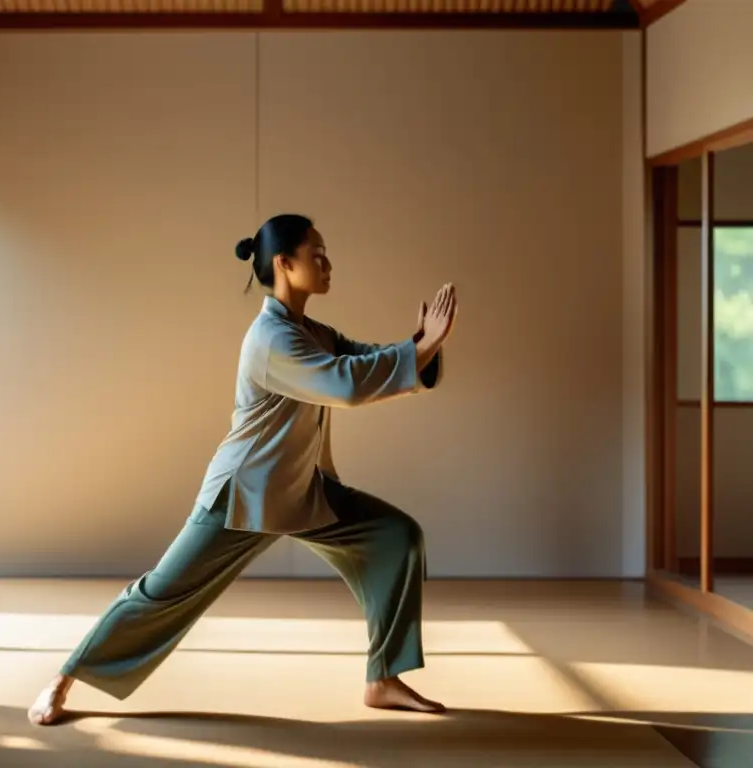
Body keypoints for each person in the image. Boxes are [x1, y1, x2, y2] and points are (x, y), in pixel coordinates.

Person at [28, 214, 457, 725]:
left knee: (395, 537)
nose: (327, 263)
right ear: (284, 264)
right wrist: (421, 346)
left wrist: (421, 344)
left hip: (300, 492)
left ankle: (383, 678)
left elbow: (369, 361)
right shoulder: (271, 339)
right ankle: (64, 678)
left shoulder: (312, 330)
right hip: (243, 494)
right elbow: (346, 385)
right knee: (163, 593)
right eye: (316, 253)